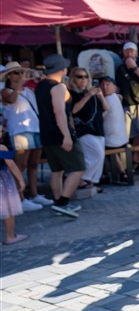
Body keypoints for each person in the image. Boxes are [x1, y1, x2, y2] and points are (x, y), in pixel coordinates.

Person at [35, 54, 85, 218]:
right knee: (78, 168)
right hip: (60, 132)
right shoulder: (58, 87)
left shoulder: (40, 86)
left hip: (46, 133)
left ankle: (59, 204)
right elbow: (59, 112)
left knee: (56, 170)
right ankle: (62, 202)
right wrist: (67, 135)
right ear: (62, 69)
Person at [1, 62, 50, 212]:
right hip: (20, 130)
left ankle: (34, 194)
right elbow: (11, 100)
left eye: (21, 72)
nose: (20, 75)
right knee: (20, 165)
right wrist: (18, 85)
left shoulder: (29, 90)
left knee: (33, 164)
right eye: (16, 73)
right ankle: (20, 198)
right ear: (9, 75)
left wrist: (36, 78)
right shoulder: (5, 91)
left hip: (35, 127)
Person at [68, 67, 108, 188]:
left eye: (86, 76)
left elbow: (106, 108)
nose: (83, 79)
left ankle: (90, 182)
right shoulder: (71, 94)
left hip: (98, 129)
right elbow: (73, 110)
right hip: (83, 130)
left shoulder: (91, 92)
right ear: (73, 79)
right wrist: (87, 96)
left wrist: (100, 96)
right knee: (97, 155)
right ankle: (82, 179)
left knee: (96, 156)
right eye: (79, 76)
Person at [115, 41, 139, 166]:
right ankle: (133, 161)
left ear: (136, 52)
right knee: (128, 136)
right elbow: (118, 86)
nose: (129, 53)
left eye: (131, 50)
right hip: (126, 105)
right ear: (123, 53)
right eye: (127, 50)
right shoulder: (120, 68)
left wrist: (135, 67)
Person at [0, 124, 27, 244]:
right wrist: (20, 179)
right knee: (9, 209)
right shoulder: (2, 148)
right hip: (4, 181)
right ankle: (10, 236)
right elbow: (11, 165)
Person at [99, 77, 129, 180]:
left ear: (114, 87)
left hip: (113, 139)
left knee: (99, 146)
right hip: (122, 137)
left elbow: (102, 114)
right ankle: (121, 172)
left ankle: (113, 173)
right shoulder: (116, 97)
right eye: (102, 85)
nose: (105, 87)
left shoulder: (108, 99)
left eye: (108, 84)